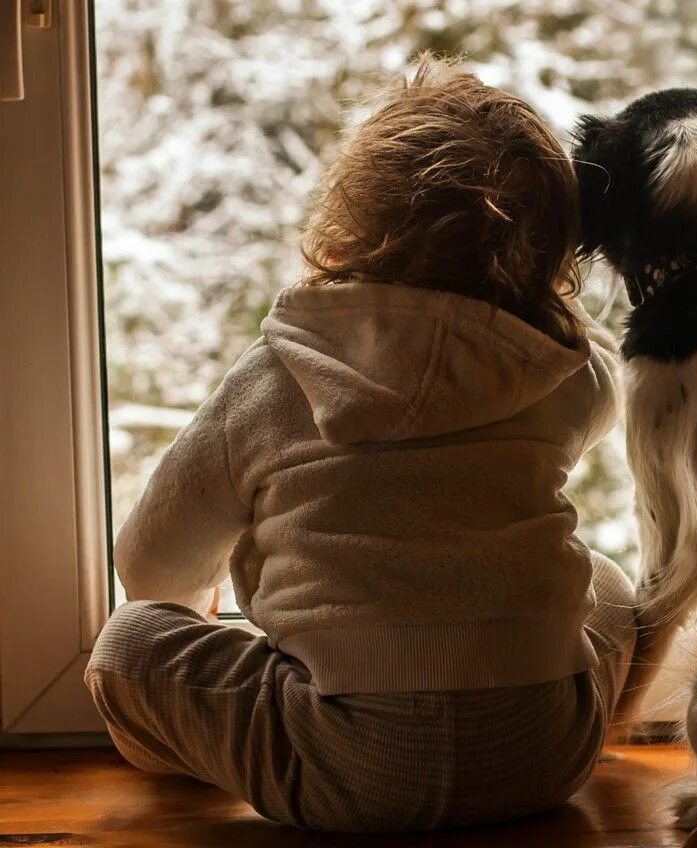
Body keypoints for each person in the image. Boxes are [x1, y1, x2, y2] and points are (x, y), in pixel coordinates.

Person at [85, 55, 634, 831]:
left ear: (346, 227)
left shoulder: (281, 374)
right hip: (544, 750)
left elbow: (149, 563)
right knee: (608, 584)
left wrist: (201, 597)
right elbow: (607, 388)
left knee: (128, 643)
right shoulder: (561, 372)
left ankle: (183, 751)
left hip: (342, 757)